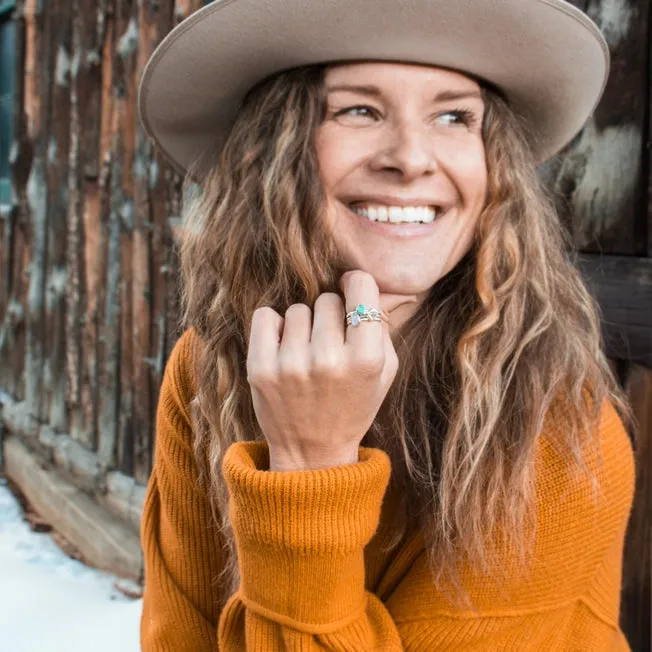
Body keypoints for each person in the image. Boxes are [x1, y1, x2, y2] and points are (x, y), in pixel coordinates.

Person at [137, 0, 637, 649]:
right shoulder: (209, 366)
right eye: (360, 110)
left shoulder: (558, 431)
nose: (410, 157)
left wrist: (310, 473)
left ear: (495, 169)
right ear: (273, 151)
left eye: (454, 116)